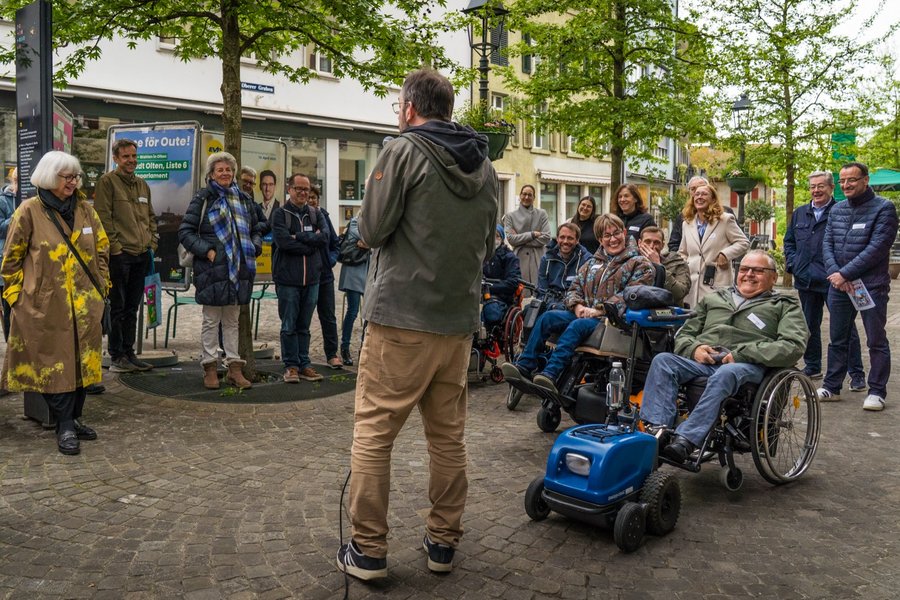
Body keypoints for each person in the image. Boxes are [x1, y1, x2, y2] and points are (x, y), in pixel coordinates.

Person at [339, 68, 497, 580]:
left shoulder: (402, 151)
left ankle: (368, 550)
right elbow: (488, 246)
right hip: (457, 325)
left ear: (409, 108)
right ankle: (442, 543)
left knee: (374, 433)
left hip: (401, 320)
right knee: (448, 438)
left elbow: (371, 229)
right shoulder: (486, 167)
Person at [639, 250, 808, 463]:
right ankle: (658, 431)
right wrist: (695, 348)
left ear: (773, 277)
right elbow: (685, 333)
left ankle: (686, 440)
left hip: (749, 365)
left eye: (758, 271)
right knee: (663, 361)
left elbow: (793, 345)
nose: (749, 274)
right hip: (707, 361)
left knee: (727, 373)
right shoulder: (714, 298)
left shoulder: (784, 305)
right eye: (744, 269)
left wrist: (741, 354)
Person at [1, 151, 109, 455]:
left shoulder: (86, 210)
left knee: (82, 363)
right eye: (67, 177)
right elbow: (10, 261)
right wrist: (17, 298)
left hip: (86, 303)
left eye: (76, 177)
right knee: (54, 363)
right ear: (50, 177)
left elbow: (101, 249)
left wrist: (103, 286)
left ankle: (75, 418)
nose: (73, 182)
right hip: (45, 305)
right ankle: (64, 424)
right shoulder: (29, 211)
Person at [502, 213, 656, 392]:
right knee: (548, 317)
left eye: (616, 233)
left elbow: (633, 293)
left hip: (613, 321)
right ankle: (524, 365)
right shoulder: (592, 263)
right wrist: (577, 306)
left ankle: (550, 374)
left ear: (624, 232)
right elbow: (574, 287)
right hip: (585, 314)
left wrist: (600, 310)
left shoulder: (640, 263)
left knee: (577, 326)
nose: (613, 239)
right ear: (600, 240)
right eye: (607, 235)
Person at [178, 152, 268, 391]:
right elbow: (185, 231)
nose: (225, 173)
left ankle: (234, 369)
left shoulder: (244, 198)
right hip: (211, 269)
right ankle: (209, 367)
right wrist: (207, 251)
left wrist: (254, 246)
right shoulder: (203, 197)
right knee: (211, 320)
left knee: (232, 321)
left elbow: (259, 226)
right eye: (220, 170)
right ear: (211, 174)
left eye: (229, 169)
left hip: (239, 268)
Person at [820, 162, 899, 411]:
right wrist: (836, 274)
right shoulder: (837, 209)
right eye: (842, 181)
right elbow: (827, 243)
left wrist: (845, 273)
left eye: (851, 180)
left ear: (866, 180)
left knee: (875, 340)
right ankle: (832, 387)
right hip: (839, 287)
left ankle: (877, 391)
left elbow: (877, 248)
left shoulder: (884, 208)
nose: (846, 185)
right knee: (837, 339)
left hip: (870, 286)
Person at [783, 171, 865, 387]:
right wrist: (793, 264)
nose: (816, 190)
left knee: (845, 328)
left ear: (831, 188)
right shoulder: (800, 213)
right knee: (809, 325)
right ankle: (812, 366)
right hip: (806, 279)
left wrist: (845, 273)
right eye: (812, 186)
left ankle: (856, 373)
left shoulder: (842, 211)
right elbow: (789, 242)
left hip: (835, 281)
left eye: (821, 186)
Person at [93, 139, 158, 373]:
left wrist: (152, 243)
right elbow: (103, 217)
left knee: (133, 308)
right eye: (126, 156)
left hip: (141, 254)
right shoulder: (107, 182)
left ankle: (129, 353)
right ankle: (117, 355)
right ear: (116, 159)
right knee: (117, 308)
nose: (131, 160)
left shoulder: (142, 185)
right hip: (120, 255)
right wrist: (116, 248)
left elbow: (151, 217)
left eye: (134, 156)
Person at [271, 173, 327, 383]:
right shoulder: (280, 214)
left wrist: (300, 237)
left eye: (306, 189)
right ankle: (291, 366)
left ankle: (304, 364)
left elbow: (325, 238)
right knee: (289, 325)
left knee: (304, 325)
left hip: (312, 279)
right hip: (288, 280)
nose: (303, 193)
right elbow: (283, 242)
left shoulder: (316, 213)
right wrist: (311, 244)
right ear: (290, 189)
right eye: (299, 188)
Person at [679, 184, 749, 308]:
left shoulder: (725, 220)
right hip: (692, 285)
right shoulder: (687, 223)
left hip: (716, 282)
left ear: (713, 199)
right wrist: (684, 268)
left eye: (704, 194)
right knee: (692, 317)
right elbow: (683, 252)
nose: (699, 197)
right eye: (697, 194)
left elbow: (743, 242)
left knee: (714, 316)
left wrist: (725, 254)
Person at [307, 185, 343, 369]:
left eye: (314, 197)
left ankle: (332, 354)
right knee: (303, 318)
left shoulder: (324, 217)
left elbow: (335, 244)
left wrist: (330, 260)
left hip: (325, 276)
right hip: (305, 276)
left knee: (328, 316)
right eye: (308, 197)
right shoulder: (299, 217)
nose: (311, 200)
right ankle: (301, 357)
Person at [503, 184, 550, 287]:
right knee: (520, 290)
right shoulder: (510, 216)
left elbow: (546, 237)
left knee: (539, 289)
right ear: (520, 196)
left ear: (534, 197)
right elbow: (511, 239)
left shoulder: (542, 214)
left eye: (530, 195)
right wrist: (532, 234)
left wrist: (520, 240)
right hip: (519, 258)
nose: (526, 197)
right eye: (524, 194)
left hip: (538, 258)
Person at [536, 222, 592, 309]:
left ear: (577, 240)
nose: (565, 241)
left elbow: (586, 293)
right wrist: (552, 306)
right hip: (550, 305)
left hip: (574, 306)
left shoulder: (586, 260)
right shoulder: (546, 259)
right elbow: (541, 291)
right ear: (557, 238)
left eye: (570, 238)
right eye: (562, 237)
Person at [337, 216, 369, 366]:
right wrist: (368, 244)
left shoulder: (373, 223)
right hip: (353, 273)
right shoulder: (356, 221)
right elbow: (369, 239)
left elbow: (374, 242)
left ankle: (364, 348)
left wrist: (368, 244)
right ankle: (345, 347)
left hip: (368, 274)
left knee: (368, 315)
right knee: (353, 311)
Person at [638, 226, 691, 306]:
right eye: (647, 241)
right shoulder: (632, 263)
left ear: (662, 245)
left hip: (669, 311)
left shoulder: (677, 263)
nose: (651, 246)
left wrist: (659, 266)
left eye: (656, 242)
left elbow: (679, 293)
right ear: (639, 243)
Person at [481, 225, 522, 328]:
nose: (493, 239)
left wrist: (488, 287)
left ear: (502, 238)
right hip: (478, 297)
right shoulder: (480, 256)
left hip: (500, 299)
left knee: (491, 313)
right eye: (490, 236)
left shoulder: (510, 257)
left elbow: (512, 283)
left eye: (497, 236)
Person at [668, 176, 711, 253]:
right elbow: (674, 245)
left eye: (701, 188)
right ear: (689, 192)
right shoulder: (683, 217)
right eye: (693, 189)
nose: (697, 191)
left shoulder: (723, 215)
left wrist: (724, 255)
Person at [0, 166, 17, 342]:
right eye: (17, 180)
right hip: (6, 259)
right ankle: (10, 342)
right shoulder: (3, 200)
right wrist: (17, 217)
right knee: (8, 305)